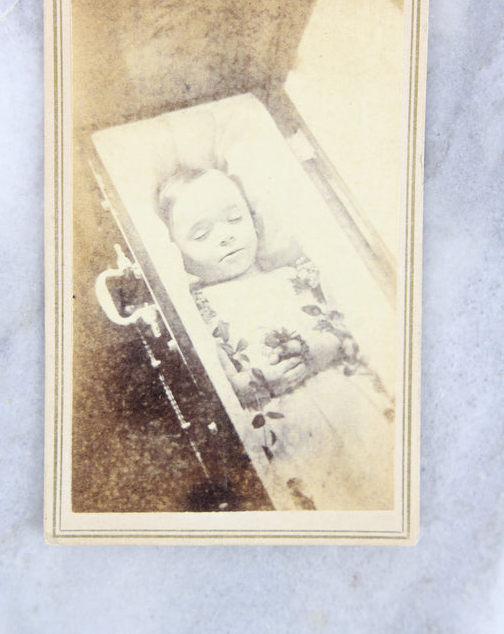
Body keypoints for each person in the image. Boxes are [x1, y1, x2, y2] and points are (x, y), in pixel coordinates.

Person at [158, 166, 395, 510]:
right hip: (288, 430)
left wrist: (321, 349)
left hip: (347, 403)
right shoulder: (199, 312)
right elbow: (222, 385)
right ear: (176, 251)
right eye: (201, 234)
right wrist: (256, 381)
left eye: (234, 219)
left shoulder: (293, 275)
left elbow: (347, 334)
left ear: (253, 219)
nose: (225, 237)